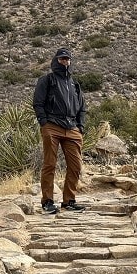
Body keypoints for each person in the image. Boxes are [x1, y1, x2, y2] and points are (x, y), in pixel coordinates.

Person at [33, 47, 86, 213]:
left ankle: (69, 201)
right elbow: (38, 102)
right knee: (50, 164)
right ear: (56, 60)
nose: (65, 61)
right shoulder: (47, 80)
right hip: (52, 126)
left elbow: (82, 107)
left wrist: (80, 126)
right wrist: (43, 121)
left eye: (67, 59)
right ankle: (47, 201)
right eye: (62, 59)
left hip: (72, 128)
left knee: (76, 166)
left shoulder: (74, 83)